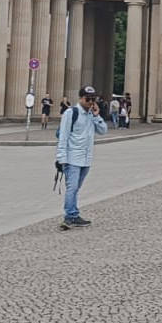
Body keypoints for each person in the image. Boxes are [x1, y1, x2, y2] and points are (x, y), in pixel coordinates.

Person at [54, 86, 107, 230]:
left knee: (76, 188)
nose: (91, 102)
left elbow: (103, 131)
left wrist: (97, 116)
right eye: (88, 99)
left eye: (93, 99)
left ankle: (73, 215)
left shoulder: (91, 114)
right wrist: (61, 158)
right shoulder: (71, 113)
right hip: (72, 158)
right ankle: (70, 216)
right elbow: (63, 136)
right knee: (71, 188)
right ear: (80, 98)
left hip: (86, 157)